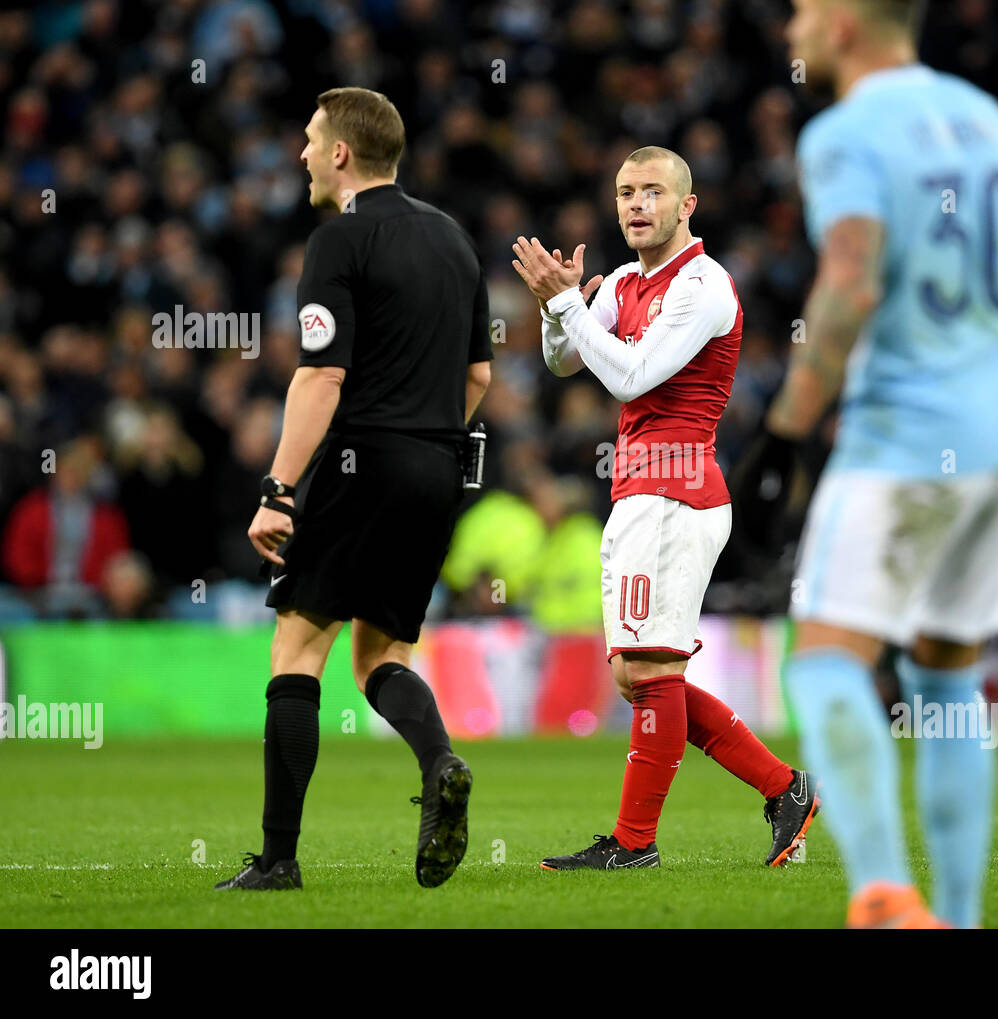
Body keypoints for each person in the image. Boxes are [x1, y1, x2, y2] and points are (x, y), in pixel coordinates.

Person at [731, 0, 998, 927]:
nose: (792, 27)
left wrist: (783, 436)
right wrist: (984, 341)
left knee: (821, 665)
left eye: (804, 10)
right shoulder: (983, 116)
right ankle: (958, 918)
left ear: (846, 23)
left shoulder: (846, 132)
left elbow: (849, 278)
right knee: (945, 679)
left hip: (910, 434)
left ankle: (886, 896)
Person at [216, 87, 493, 891]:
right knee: (382, 653)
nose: (300, 154)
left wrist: (278, 487)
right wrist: (425, 436)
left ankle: (277, 858)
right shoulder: (454, 241)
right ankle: (439, 760)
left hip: (361, 461)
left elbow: (321, 374)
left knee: (298, 646)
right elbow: (477, 374)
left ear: (341, 153)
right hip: (440, 468)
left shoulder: (339, 240)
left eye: (309, 140)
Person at [512, 146, 818, 871]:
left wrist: (566, 308)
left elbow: (631, 375)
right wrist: (557, 309)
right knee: (640, 677)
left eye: (653, 191)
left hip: (678, 495)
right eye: (625, 192)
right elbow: (564, 361)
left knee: (650, 674)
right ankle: (785, 788)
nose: (636, 204)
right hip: (638, 492)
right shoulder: (622, 280)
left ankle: (634, 843)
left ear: (687, 206)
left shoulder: (704, 285)